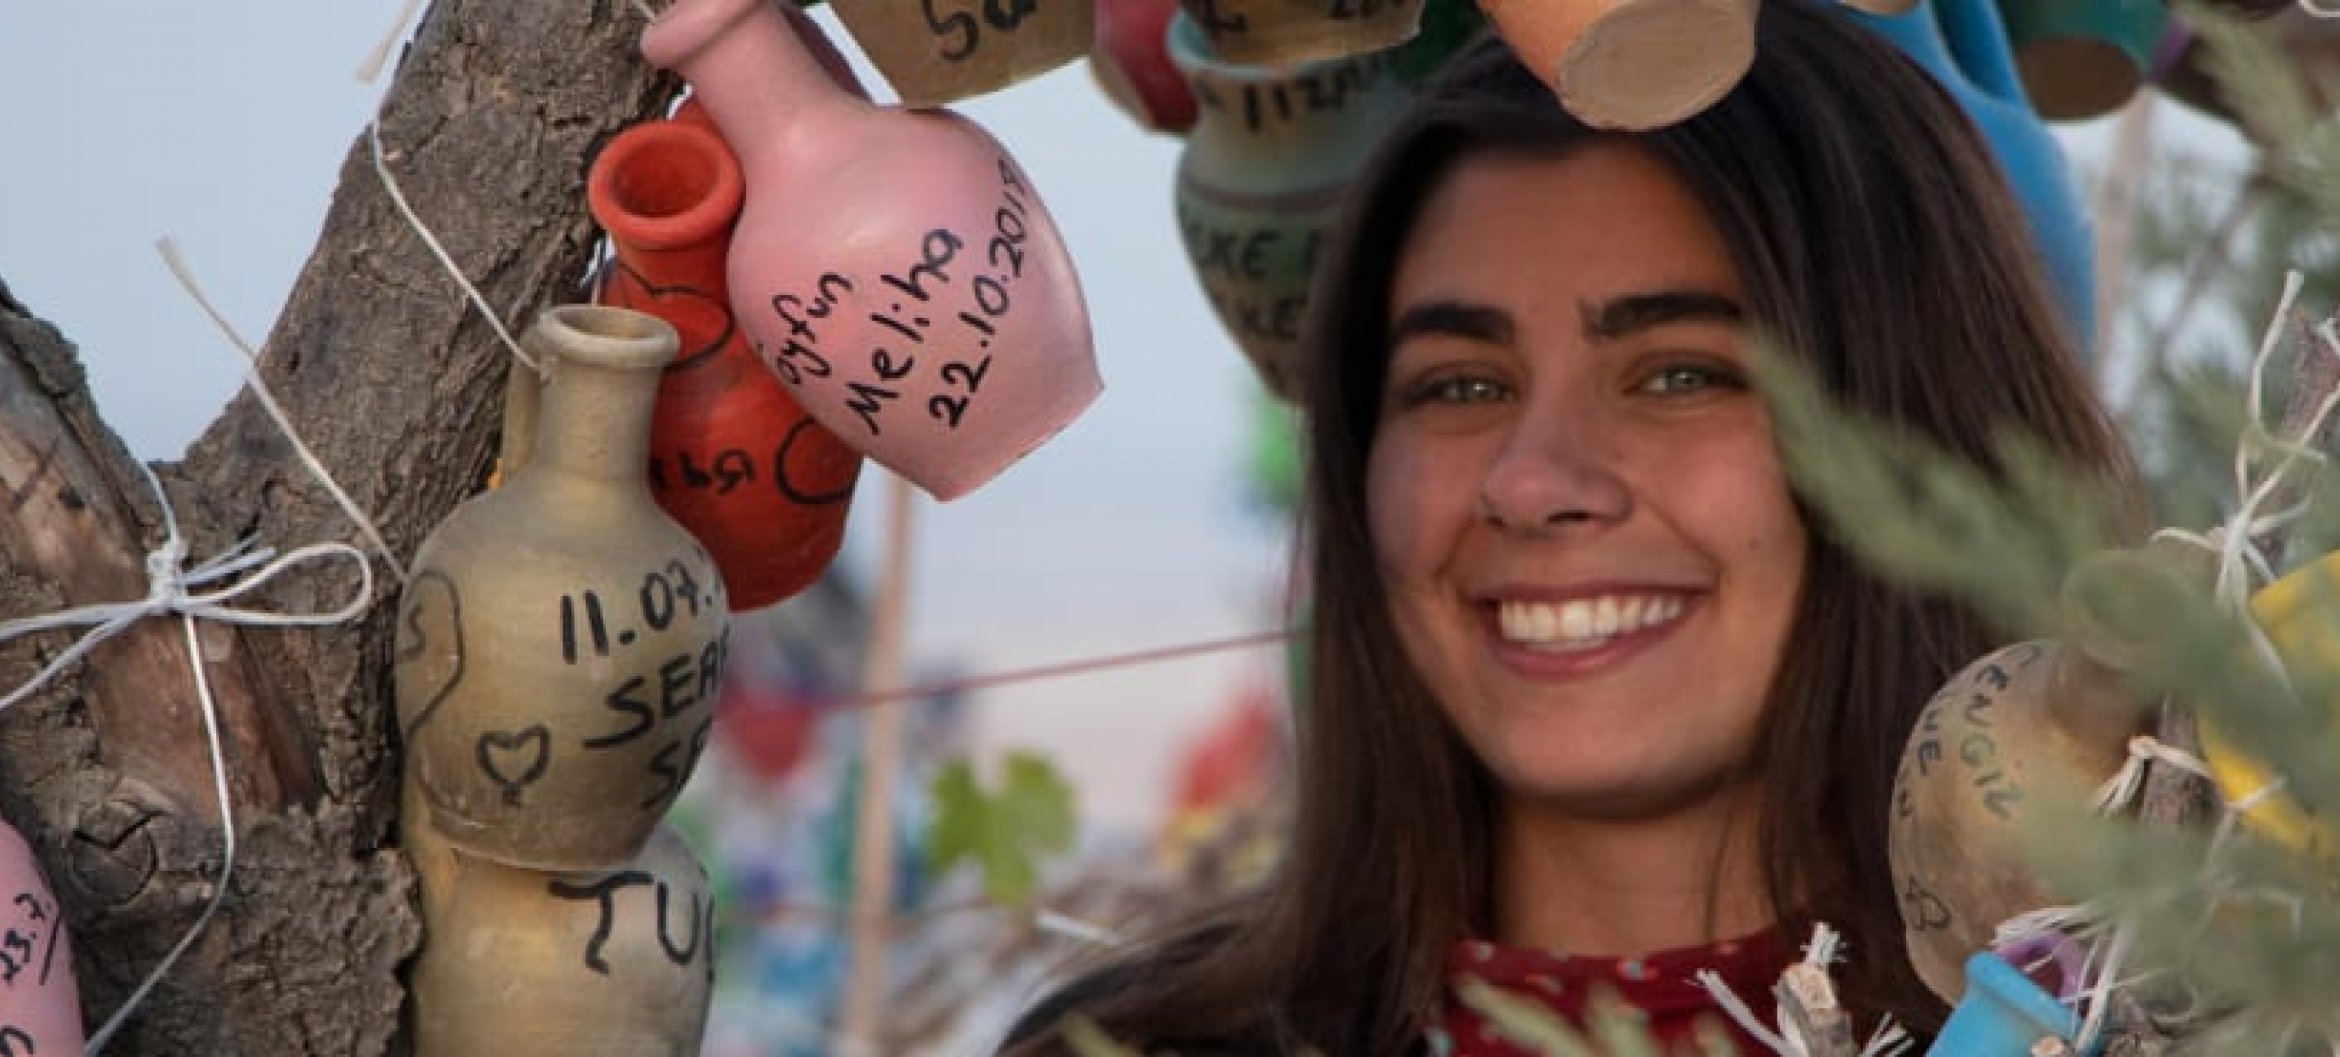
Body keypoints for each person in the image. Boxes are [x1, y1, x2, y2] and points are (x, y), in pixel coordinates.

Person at [1005, 0, 2134, 1052]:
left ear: (1918, 440)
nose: (1534, 480)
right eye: (1459, 385)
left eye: (1680, 373)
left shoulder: (2155, 1020)